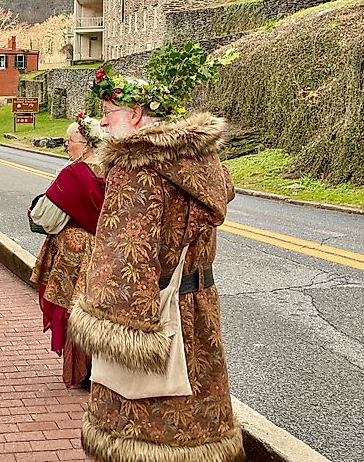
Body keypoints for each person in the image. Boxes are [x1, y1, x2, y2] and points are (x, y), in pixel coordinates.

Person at [68, 48, 242, 462]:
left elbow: (124, 256)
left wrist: (111, 326)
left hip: (150, 316)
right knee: (197, 419)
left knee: (137, 433)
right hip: (198, 310)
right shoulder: (201, 160)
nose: (103, 121)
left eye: (111, 111)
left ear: (140, 116)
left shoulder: (133, 168)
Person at [29, 114, 105, 389]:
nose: (66, 145)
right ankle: (103, 368)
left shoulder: (74, 174)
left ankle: (82, 370)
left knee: (75, 308)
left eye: (70, 141)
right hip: (106, 250)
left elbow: (44, 216)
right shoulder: (113, 170)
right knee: (100, 308)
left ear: (86, 144)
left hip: (75, 252)